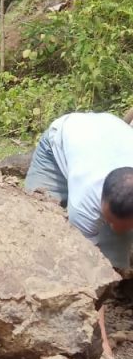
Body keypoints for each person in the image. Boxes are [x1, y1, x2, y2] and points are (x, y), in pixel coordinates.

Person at [25, 111, 133, 270]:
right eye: (109, 221)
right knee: (34, 225)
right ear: (100, 200)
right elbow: (82, 255)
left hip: (108, 132)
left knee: (115, 262)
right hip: (59, 142)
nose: (115, 228)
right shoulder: (84, 202)